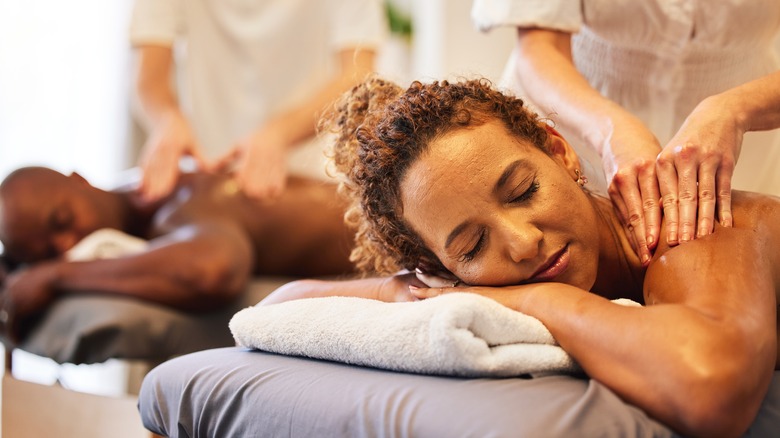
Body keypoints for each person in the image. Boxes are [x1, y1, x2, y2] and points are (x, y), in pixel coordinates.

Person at [261, 77, 779, 437]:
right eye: (473, 246)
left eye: (523, 191)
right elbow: (281, 304)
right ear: (442, 270)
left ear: (560, 153)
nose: (522, 242)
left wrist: (538, 300)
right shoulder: (446, 277)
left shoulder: (688, 223)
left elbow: (711, 386)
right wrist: (404, 292)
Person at [470, 0, 780, 266]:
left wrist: (735, 109)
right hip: (573, 109)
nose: (524, 243)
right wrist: (609, 131)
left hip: (745, 126)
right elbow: (539, 46)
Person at [0, 167, 356, 342]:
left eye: (63, 221)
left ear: (81, 180)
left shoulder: (176, 201)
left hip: (387, 240)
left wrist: (56, 275)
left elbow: (214, 270)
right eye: (49, 253)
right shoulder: (142, 212)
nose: (66, 246)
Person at [130, 0, 387, 201]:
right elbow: (149, 79)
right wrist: (167, 121)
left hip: (306, 177)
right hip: (204, 168)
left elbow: (357, 74)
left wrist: (279, 133)